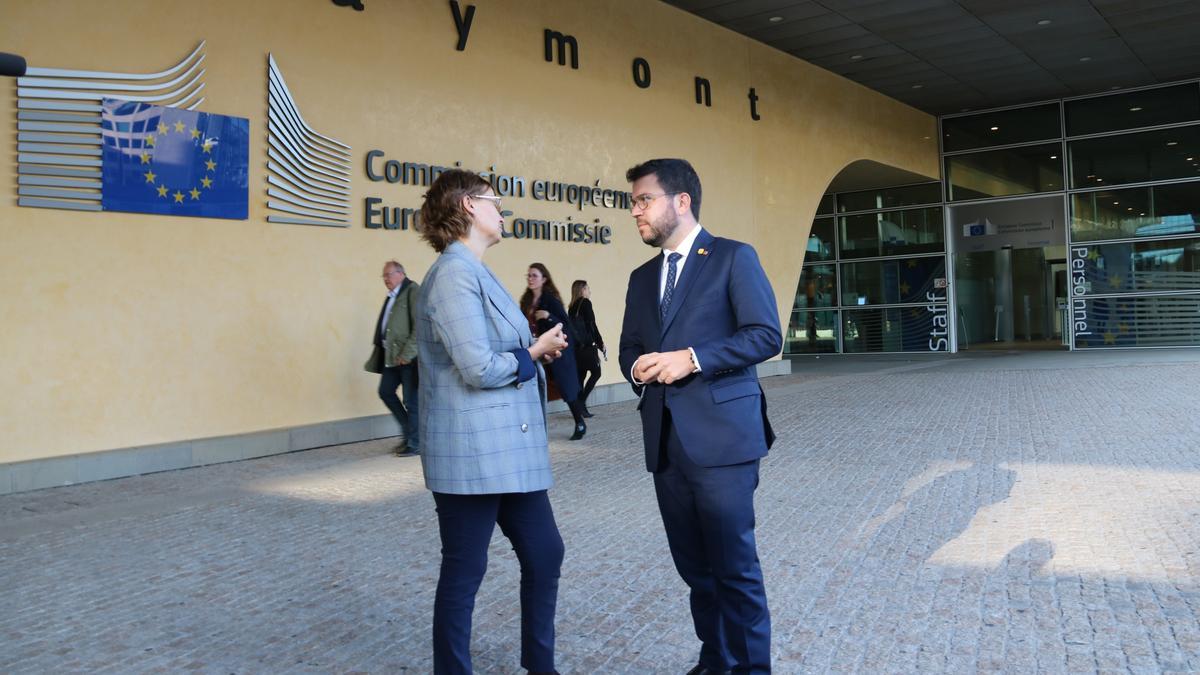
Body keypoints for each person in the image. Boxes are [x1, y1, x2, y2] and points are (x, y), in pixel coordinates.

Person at [618, 158, 782, 675]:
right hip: (666, 445)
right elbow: (629, 348)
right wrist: (639, 368)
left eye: (644, 200)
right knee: (696, 571)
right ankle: (716, 661)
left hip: (724, 442)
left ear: (681, 201)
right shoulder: (641, 278)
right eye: (633, 203)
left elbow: (764, 335)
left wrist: (691, 358)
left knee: (734, 570)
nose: (635, 212)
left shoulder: (733, 257)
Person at [414, 168, 568, 675]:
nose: (502, 209)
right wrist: (534, 351)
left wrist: (533, 353)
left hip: (508, 451)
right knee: (465, 571)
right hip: (471, 453)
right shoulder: (453, 274)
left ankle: (539, 666)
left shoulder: (477, 270)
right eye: (494, 200)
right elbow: (477, 367)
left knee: (545, 553)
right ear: (467, 207)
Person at [520, 264, 587, 440]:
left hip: (554, 352)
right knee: (533, 388)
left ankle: (580, 422)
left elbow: (565, 324)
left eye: (534, 276)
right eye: (529, 275)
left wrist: (548, 316)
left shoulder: (550, 300)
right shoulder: (526, 301)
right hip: (534, 350)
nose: (530, 279)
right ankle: (534, 429)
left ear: (544, 279)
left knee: (565, 388)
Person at [364, 260, 420, 456]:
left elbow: (419, 326)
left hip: (408, 358)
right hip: (392, 357)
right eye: (384, 276)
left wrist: (408, 354)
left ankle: (415, 443)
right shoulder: (393, 296)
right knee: (385, 391)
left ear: (400, 274)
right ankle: (409, 434)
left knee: (411, 401)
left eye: (388, 275)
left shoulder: (412, 291)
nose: (385, 279)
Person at [568, 280, 604, 418]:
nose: (590, 291)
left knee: (580, 378)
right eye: (588, 288)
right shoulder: (585, 303)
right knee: (596, 373)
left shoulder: (571, 307)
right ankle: (581, 402)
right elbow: (592, 325)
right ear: (582, 289)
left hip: (577, 349)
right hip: (588, 347)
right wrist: (600, 343)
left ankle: (580, 409)